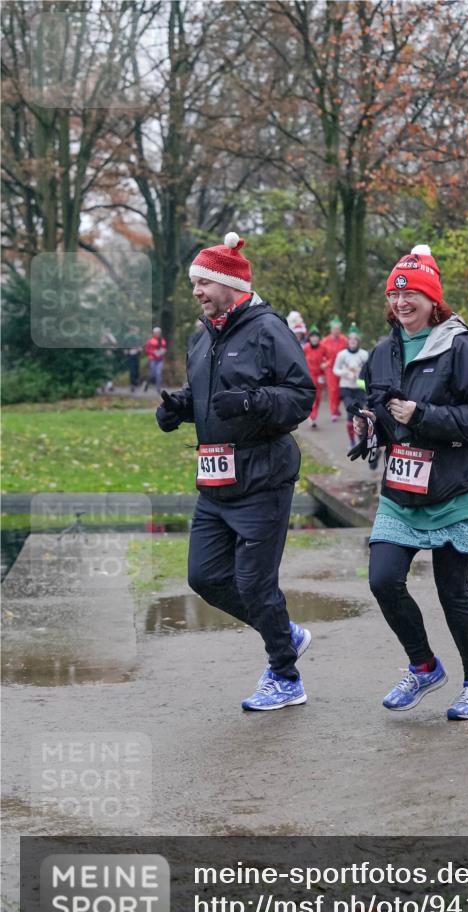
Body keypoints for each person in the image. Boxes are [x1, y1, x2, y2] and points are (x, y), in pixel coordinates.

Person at [154, 232, 316, 707]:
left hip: (264, 475)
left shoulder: (269, 329)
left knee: (253, 582)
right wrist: (180, 408)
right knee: (204, 576)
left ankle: (285, 677)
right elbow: (206, 397)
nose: (197, 292)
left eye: (204, 282)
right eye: (193, 284)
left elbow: (300, 396)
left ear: (230, 283)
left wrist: (252, 401)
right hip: (216, 478)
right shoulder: (202, 336)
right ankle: (284, 633)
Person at [352, 243, 468, 721]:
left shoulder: (464, 347)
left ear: (433, 299)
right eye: (395, 295)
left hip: (456, 487)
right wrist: (371, 425)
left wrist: (424, 415)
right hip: (403, 490)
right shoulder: (382, 350)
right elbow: (378, 404)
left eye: (411, 294)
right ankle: (423, 666)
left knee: (452, 591)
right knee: (383, 579)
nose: (401, 303)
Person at [333, 324, 369, 447]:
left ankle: (360, 438)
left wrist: (361, 373)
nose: (353, 342)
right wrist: (345, 373)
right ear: (348, 341)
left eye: (355, 340)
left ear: (358, 342)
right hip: (346, 387)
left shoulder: (364, 354)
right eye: (351, 340)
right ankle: (352, 441)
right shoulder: (342, 355)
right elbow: (335, 370)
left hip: (359, 388)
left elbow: (370, 371)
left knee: (359, 413)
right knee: (350, 413)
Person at [320, 317, 348, 421]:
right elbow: (321, 354)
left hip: (342, 368)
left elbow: (348, 352)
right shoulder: (325, 341)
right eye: (334, 329)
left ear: (340, 330)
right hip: (330, 368)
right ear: (331, 330)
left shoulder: (344, 340)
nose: (336, 331)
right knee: (333, 390)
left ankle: (336, 408)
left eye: (338, 329)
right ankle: (333, 412)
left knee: (341, 390)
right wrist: (324, 362)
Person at [302, 327, 326, 428]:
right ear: (310, 338)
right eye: (313, 336)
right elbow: (300, 359)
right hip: (309, 376)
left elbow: (330, 359)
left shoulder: (323, 348)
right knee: (311, 398)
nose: (315, 338)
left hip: (320, 376)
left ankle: (312, 417)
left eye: (316, 336)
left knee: (318, 398)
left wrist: (326, 364)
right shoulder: (305, 348)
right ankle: (311, 417)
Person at [144, 326, 167, 393]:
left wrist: (163, 351)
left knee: (158, 373)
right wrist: (153, 352)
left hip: (160, 360)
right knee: (152, 374)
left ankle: (158, 388)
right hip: (152, 359)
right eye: (156, 332)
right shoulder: (150, 341)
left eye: (159, 332)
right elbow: (147, 350)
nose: (158, 334)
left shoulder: (162, 340)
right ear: (154, 333)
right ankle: (146, 384)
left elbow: (164, 348)